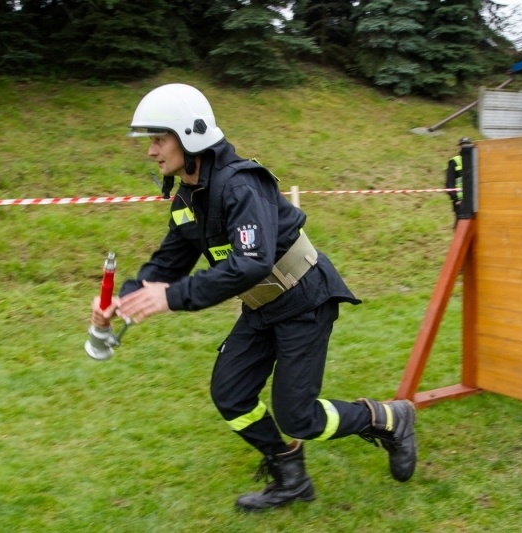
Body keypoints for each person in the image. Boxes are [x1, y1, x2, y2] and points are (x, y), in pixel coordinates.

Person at [90, 83, 417, 511]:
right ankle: (290, 476)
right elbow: (166, 264)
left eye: (158, 139)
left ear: (189, 135)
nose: (151, 151)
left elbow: (251, 263)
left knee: (298, 416)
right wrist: (123, 300)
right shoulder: (187, 199)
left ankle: (389, 418)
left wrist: (174, 297)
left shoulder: (241, 184)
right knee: (231, 394)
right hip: (262, 307)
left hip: (304, 300)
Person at [445, 137, 472, 229]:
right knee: (460, 228)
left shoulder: (475, 161)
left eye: (467, 145)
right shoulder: (455, 162)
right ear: (459, 147)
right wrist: (456, 200)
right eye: (463, 145)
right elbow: (449, 183)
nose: (465, 147)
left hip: (473, 201)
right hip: (461, 202)